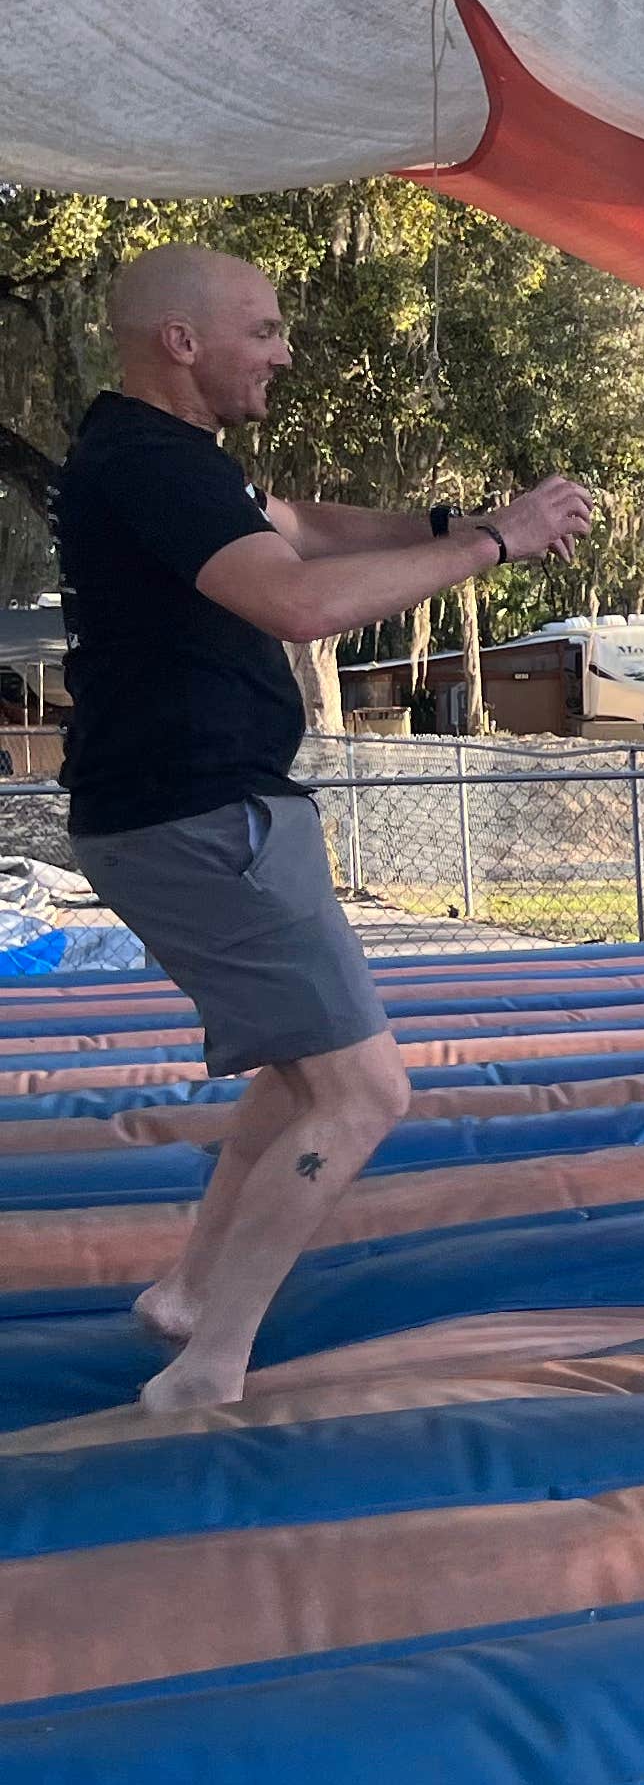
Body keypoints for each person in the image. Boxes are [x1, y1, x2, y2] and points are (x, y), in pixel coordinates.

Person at [53, 245, 594, 1414]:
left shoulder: (177, 463)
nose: (285, 351)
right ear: (183, 341)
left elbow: (297, 524)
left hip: (206, 808)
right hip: (199, 817)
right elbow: (295, 599)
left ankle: (189, 1298)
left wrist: (454, 517)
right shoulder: (147, 460)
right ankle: (209, 1367)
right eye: (266, 329)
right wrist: (489, 547)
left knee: (298, 1081)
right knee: (363, 1095)